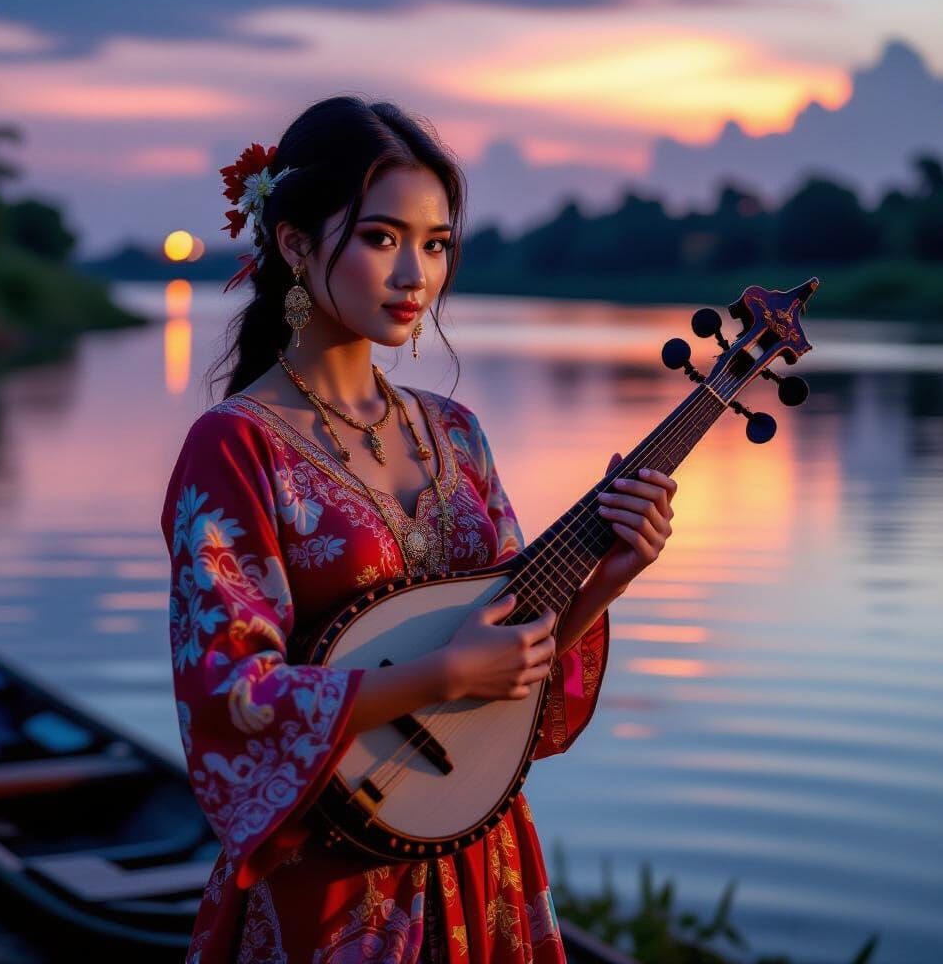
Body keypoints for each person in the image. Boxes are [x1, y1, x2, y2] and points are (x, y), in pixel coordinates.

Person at [160, 95, 677, 963]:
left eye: (436, 245)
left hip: (480, 849)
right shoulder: (237, 447)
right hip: (334, 882)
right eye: (381, 237)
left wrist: (609, 576)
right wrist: (443, 671)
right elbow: (232, 695)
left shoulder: (456, 432)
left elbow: (516, 669)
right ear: (294, 243)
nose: (416, 276)